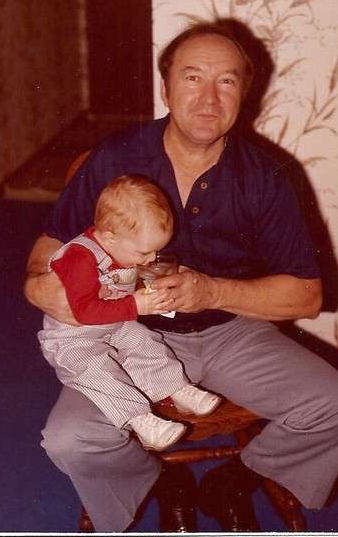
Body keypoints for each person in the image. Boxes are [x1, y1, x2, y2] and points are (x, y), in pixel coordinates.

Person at [24, 19, 338, 532]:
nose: (209, 98)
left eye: (226, 80)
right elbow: (50, 245)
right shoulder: (116, 156)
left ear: (245, 95)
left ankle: (236, 479)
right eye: (192, 78)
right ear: (165, 88)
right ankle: (159, 480)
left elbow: (307, 296)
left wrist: (211, 290)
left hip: (232, 332)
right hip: (125, 334)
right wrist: (37, 283)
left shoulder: (269, 176)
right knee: (71, 439)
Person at [38, 174, 220, 451]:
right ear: (109, 237)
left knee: (143, 340)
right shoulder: (80, 258)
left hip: (112, 324)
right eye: (144, 252)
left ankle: (175, 388)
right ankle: (140, 419)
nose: (150, 258)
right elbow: (83, 312)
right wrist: (136, 305)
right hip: (72, 337)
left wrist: (150, 293)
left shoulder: (122, 248)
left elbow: (120, 288)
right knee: (97, 369)